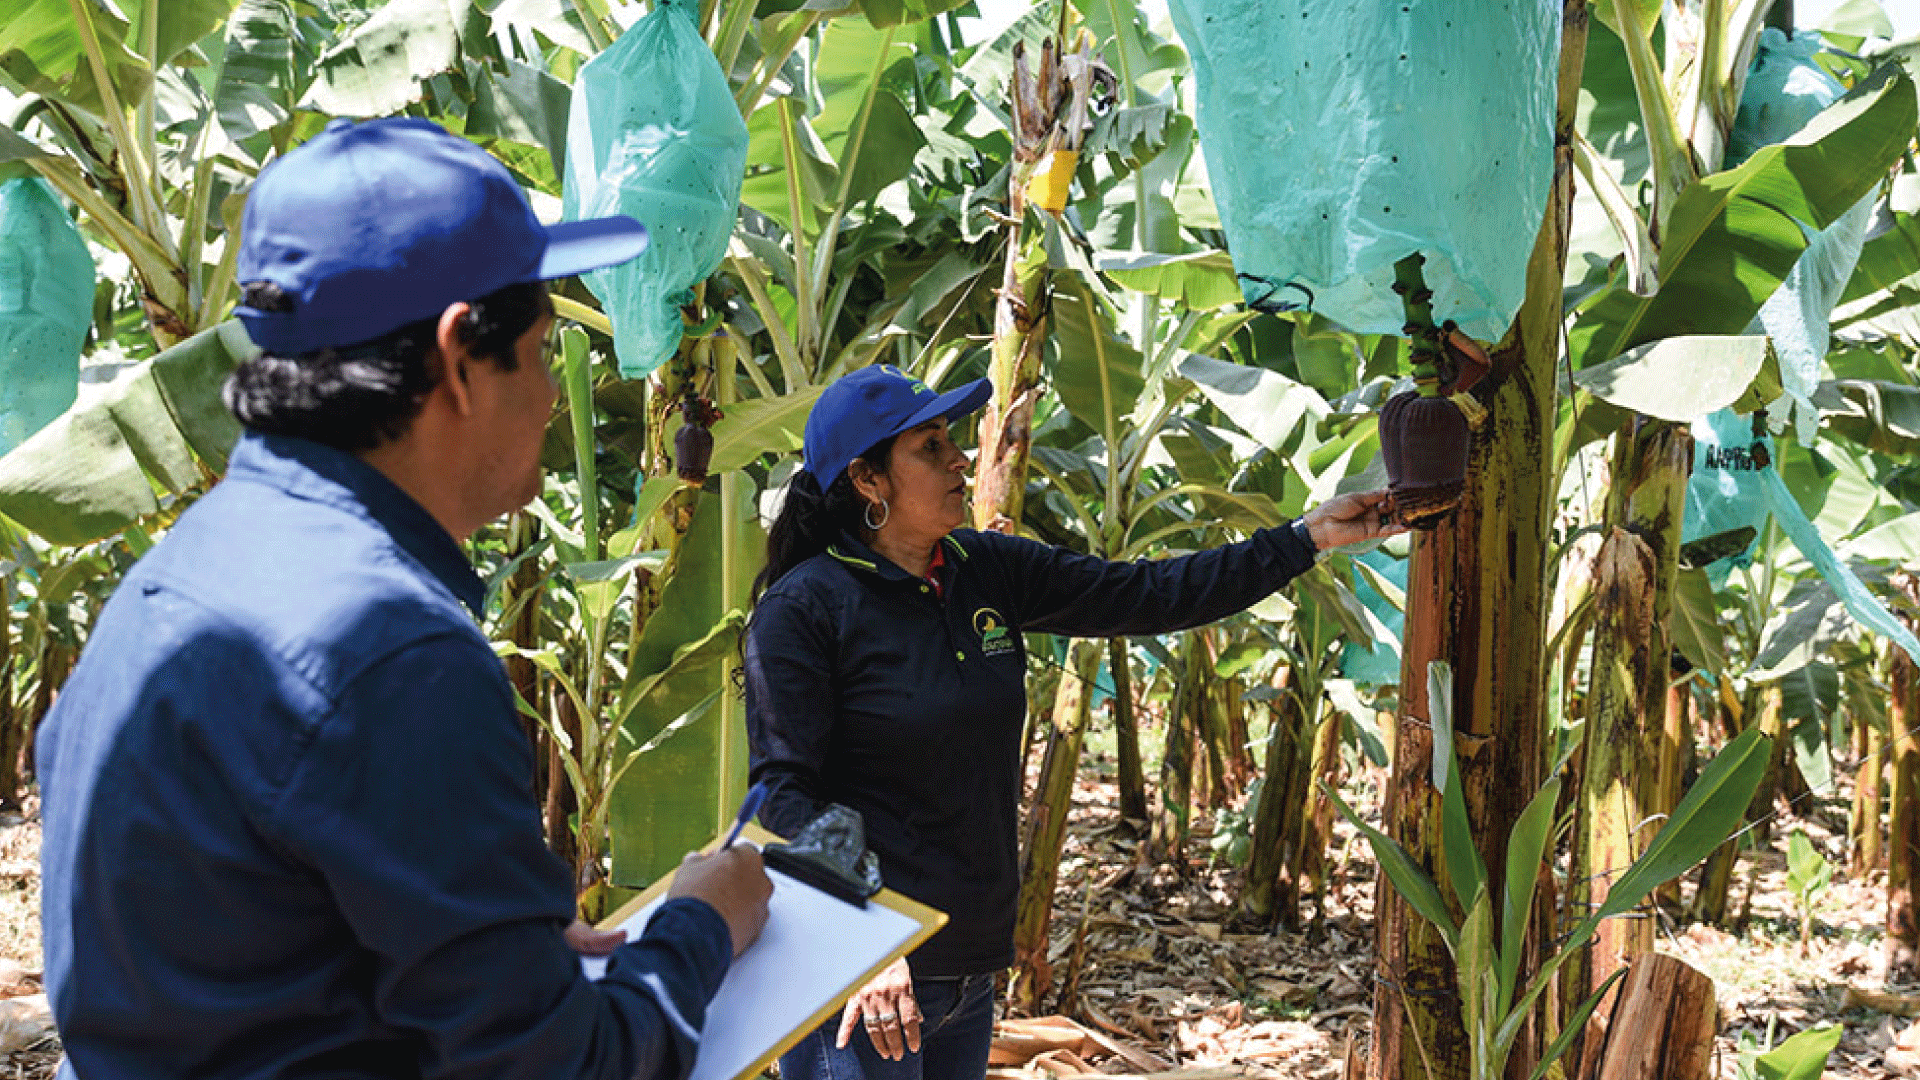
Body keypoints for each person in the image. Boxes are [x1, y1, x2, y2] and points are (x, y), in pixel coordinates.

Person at [36, 117, 772, 1080]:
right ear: (460, 357)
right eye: (544, 352)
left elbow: (269, 942)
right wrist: (701, 925)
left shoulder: (178, 577)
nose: (553, 396)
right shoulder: (391, 653)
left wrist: (505, 954)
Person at [743, 364, 1405, 1080]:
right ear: (867, 481)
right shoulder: (805, 611)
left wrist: (1304, 539)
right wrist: (859, 941)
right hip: (864, 982)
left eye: (950, 440)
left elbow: (1147, 593)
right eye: (929, 447)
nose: (960, 457)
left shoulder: (980, 569)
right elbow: (781, 795)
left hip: (964, 963)